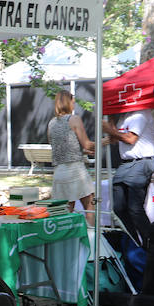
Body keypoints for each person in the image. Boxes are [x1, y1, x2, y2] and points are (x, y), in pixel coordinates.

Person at [101, 106, 154, 243]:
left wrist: (108, 129)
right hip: (126, 163)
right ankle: (135, 241)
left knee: (135, 208)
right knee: (118, 207)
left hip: (141, 161)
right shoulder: (125, 116)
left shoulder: (141, 113)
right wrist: (111, 117)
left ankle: (151, 243)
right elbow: (115, 138)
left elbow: (130, 139)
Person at [47, 90, 96, 222]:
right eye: (73, 102)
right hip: (75, 170)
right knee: (90, 207)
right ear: (68, 103)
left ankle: (68, 241)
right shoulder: (74, 119)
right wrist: (104, 141)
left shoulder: (51, 123)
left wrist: (81, 151)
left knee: (64, 215)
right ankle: (91, 239)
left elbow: (60, 148)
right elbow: (87, 144)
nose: (74, 105)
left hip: (59, 173)